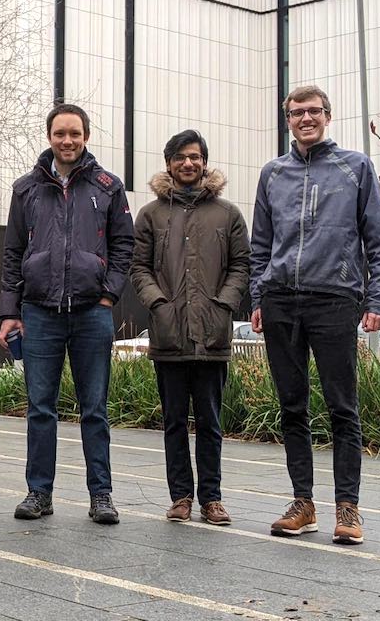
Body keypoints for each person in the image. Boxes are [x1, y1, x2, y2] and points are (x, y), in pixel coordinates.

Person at [251, 85, 380, 545]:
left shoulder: (355, 167)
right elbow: (260, 245)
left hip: (334, 299)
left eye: (313, 111)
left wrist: (378, 300)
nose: (305, 118)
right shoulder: (273, 173)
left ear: (327, 116)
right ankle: (303, 503)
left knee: (342, 408)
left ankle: (348, 508)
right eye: (296, 112)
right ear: (287, 119)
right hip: (280, 302)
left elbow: (378, 239)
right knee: (292, 406)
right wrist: (258, 297)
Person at [0, 104, 134, 523]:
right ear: (49, 136)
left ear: (86, 136)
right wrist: (10, 312)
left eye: (75, 133)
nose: (67, 141)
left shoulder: (109, 187)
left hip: (93, 312)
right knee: (40, 408)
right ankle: (39, 492)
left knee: (95, 408)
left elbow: (124, 246)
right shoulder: (26, 189)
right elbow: (14, 252)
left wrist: (109, 295)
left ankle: (101, 495)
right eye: (60, 133)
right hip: (40, 313)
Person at [129, 130, 250, 525]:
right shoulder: (150, 214)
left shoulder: (227, 214)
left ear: (204, 162)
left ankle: (212, 498)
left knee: (211, 422)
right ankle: (180, 496)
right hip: (169, 334)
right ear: (168, 163)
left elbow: (241, 266)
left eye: (195, 157)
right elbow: (139, 267)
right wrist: (159, 304)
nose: (188, 164)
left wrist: (223, 304)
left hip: (212, 334)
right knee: (175, 421)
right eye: (180, 157)